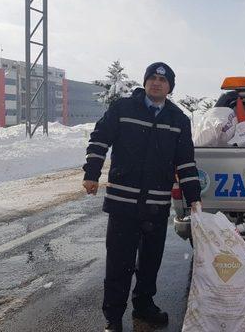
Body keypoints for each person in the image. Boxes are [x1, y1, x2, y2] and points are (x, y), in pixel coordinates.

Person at [82, 62, 201, 332]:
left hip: (156, 205)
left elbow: (185, 162)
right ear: (146, 82)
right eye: (153, 78)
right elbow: (99, 139)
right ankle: (113, 318)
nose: (157, 82)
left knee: (150, 262)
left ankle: (144, 306)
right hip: (123, 203)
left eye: (163, 79)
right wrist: (92, 173)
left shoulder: (178, 119)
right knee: (118, 263)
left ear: (170, 87)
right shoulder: (123, 109)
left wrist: (193, 196)